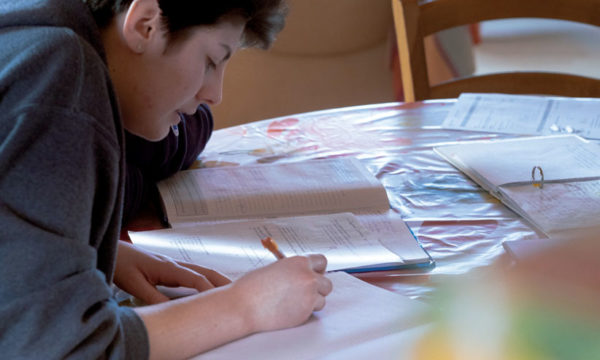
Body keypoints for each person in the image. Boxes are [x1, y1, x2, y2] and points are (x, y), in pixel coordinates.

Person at [0, 0, 333, 359]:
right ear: (145, 24)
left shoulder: (31, 28)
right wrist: (245, 305)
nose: (215, 95)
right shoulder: (62, 77)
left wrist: (99, 253)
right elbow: (60, 348)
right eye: (210, 61)